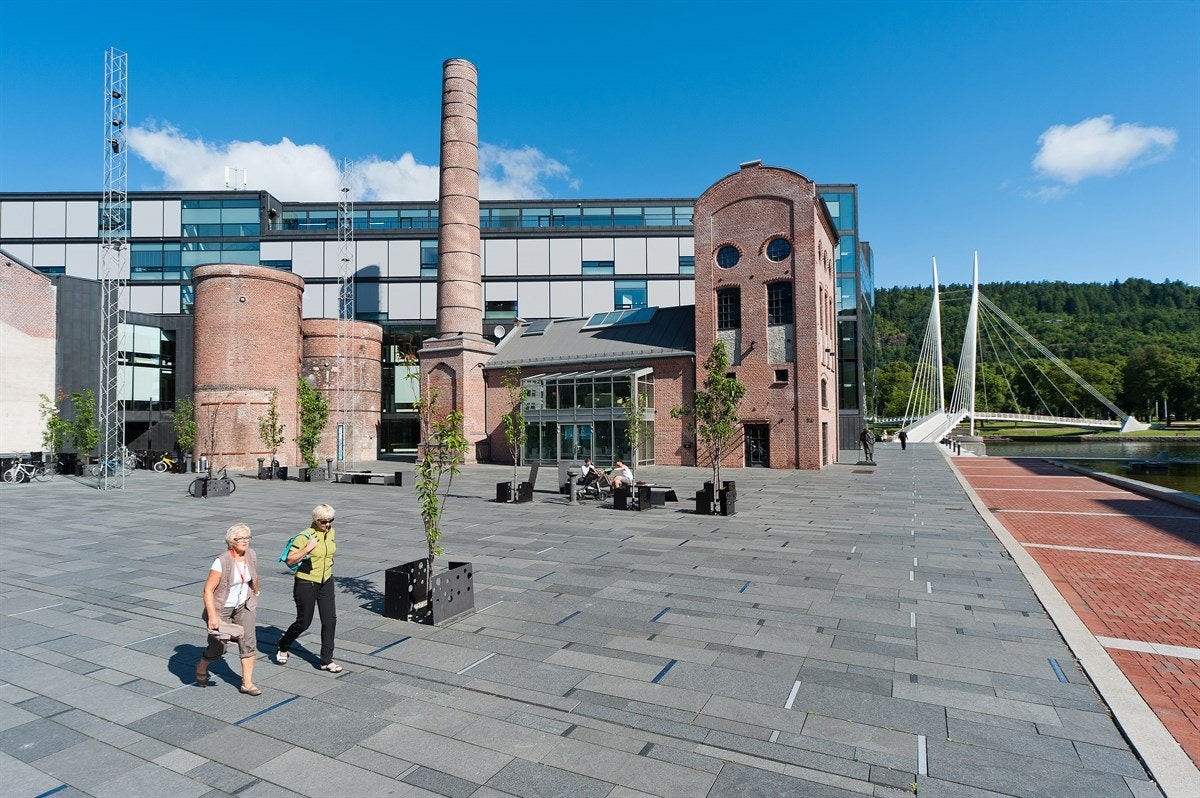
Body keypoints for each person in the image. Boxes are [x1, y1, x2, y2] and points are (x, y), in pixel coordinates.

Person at [275, 504, 342, 673]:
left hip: (326, 580)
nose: (327, 524)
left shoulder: (331, 532)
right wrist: (307, 548)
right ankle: (283, 645)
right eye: (323, 521)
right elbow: (290, 560)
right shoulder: (304, 536)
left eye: (330, 520)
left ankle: (326, 660)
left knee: (330, 620)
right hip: (306, 582)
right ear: (315, 520)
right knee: (304, 622)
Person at [197, 523, 261, 695]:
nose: (245, 541)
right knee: (219, 647)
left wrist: (255, 591)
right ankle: (203, 664)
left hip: (244, 605)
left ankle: (247, 683)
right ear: (231, 541)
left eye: (247, 538)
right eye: (240, 538)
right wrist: (212, 616)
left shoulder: (251, 555)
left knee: (248, 642)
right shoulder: (222, 561)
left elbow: (254, 575)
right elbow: (208, 590)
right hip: (222, 609)